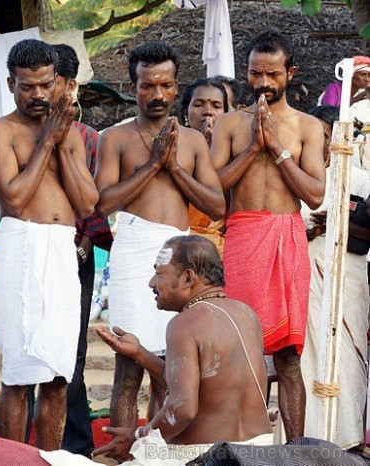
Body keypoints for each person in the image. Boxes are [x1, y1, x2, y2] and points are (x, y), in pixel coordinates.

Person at [93, 41, 225, 433]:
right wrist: (153, 166)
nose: (157, 94)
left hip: (181, 256)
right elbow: (102, 204)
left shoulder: (193, 140)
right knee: (129, 365)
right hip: (135, 254)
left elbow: (217, 206)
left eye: (165, 85)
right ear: (132, 86)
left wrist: (176, 170)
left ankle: (157, 452)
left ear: (176, 86)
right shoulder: (114, 139)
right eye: (148, 85)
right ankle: (121, 455)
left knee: (171, 366)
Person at [0, 38, 98, 450]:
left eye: (46, 85)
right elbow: (12, 199)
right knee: (18, 375)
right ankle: (12, 461)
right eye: (27, 86)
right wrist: (47, 140)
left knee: (59, 375)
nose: (38, 94)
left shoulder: (71, 135)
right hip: (22, 247)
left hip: (63, 252)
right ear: (11, 82)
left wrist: (62, 142)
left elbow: (86, 203)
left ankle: (52, 461)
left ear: (58, 83)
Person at [211, 30, 325, 441]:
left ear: (289, 73)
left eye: (272, 74)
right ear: (246, 71)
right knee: (241, 352)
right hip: (242, 239)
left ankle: (294, 450)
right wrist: (251, 151)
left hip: (286, 241)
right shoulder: (228, 124)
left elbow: (314, 195)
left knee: (289, 358)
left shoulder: (307, 127)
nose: (262, 82)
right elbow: (212, 190)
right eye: (255, 73)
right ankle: (246, 447)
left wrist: (277, 149)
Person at [93, 235, 273, 463]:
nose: (152, 283)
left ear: (188, 277)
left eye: (159, 273)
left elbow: (182, 409)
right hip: (260, 452)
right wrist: (140, 354)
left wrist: (136, 436)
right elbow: (207, 386)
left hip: (206, 456)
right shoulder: (247, 314)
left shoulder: (184, 323)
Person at [53, 43, 114, 457]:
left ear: (70, 85)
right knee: (33, 353)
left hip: (77, 252)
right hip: (34, 252)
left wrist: (86, 241)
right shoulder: (11, 132)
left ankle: (74, 442)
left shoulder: (91, 140)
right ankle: (36, 438)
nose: (41, 90)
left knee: (71, 352)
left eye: (51, 80)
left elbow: (96, 204)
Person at [300, 105, 370, 449]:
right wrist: (310, 230)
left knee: (349, 353)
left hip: (349, 274)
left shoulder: (359, 178)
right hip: (308, 273)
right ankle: (313, 436)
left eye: (326, 138)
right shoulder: (297, 177)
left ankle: (350, 438)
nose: (321, 145)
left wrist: (338, 222)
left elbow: (366, 230)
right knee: (311, 356)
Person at [179, 77, 231, 254]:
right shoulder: (170, 148)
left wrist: (211, 153)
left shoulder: (236, 155)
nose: (208, 112)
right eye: (199, 104)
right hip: (178, 244)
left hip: (219, 251)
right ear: (186, 113)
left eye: (216, 106)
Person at [320, 55, 370, 129]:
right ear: (352, 75)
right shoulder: (334, 89)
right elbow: (327, 114)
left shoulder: (363, 93)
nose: (367, 79)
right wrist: (355, 100)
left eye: (369, 75)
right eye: (363, 74)